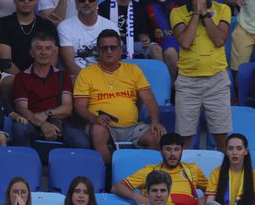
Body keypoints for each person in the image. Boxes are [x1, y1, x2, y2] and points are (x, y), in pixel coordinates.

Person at [73, 29, 164, 165]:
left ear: (120, 49)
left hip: (132, 127)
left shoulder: (133, 70)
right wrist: (95, 119)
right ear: (98, 50)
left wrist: (155, 121)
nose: (109, 51)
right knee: (98, 132)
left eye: (113, 47)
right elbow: (79, 107)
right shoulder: (86, 73)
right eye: (105, 48)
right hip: (103, 126)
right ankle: (112, 175)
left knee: (157, 135)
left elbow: (149, 99)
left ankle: (143, 176)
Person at [170, 0, 231, 151]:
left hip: (217, 80)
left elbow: (219, 40)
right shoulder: (176, 12)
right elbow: (185, 42)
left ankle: (224, 171)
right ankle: (182, 173)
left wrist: (205, 14)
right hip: (187, 82)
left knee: (222, 137)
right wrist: (196, 13)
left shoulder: (223, 9)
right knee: (183, 138)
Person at [13, 30, 88, 148]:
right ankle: (26, 163)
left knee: (82, 142)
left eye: (48, 48)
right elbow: (21, 109)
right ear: (32, 53)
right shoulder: (21, 77)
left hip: (61, 123)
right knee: (18, 129)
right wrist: (42, 124)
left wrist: (47, 114)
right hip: (33, 122)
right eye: (39, 48)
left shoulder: (63, 76)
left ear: (54, 52)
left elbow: (67, 108)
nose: (43, 52)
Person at [113, 132, 207, 205]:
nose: (173, 154)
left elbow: (213, 189)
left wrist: (204, 200)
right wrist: (137, 197)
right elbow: (117, 187)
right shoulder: (149, 171)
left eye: (177, 149)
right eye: (168, 149)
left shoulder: (192, 169)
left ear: (182, 151)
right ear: (161, 151)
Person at [205, 132, 255, 205]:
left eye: (239, 149)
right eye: (230, 149)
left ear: (246, 151)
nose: (234, 152)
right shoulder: (216, 173)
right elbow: (209, 204)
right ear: (226, 151)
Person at [0, 0, 59, 73]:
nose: (26, 1)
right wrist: (24, 80)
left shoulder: (48, 26)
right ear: (14, 1)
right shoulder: (4, 24)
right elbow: (5, 62)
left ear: (36, 1)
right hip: (12, 76)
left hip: (43, 76)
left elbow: (53, 57)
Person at [58, 0, 118, 79]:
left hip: (107, 79)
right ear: (76, 3)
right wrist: (90, 80)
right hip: (79, 79)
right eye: (82, 0)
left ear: (97, 2)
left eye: (91, 0)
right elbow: (70, 64)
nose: (86, 3)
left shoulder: (111, 26)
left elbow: (115, 59)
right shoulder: (64, 27)